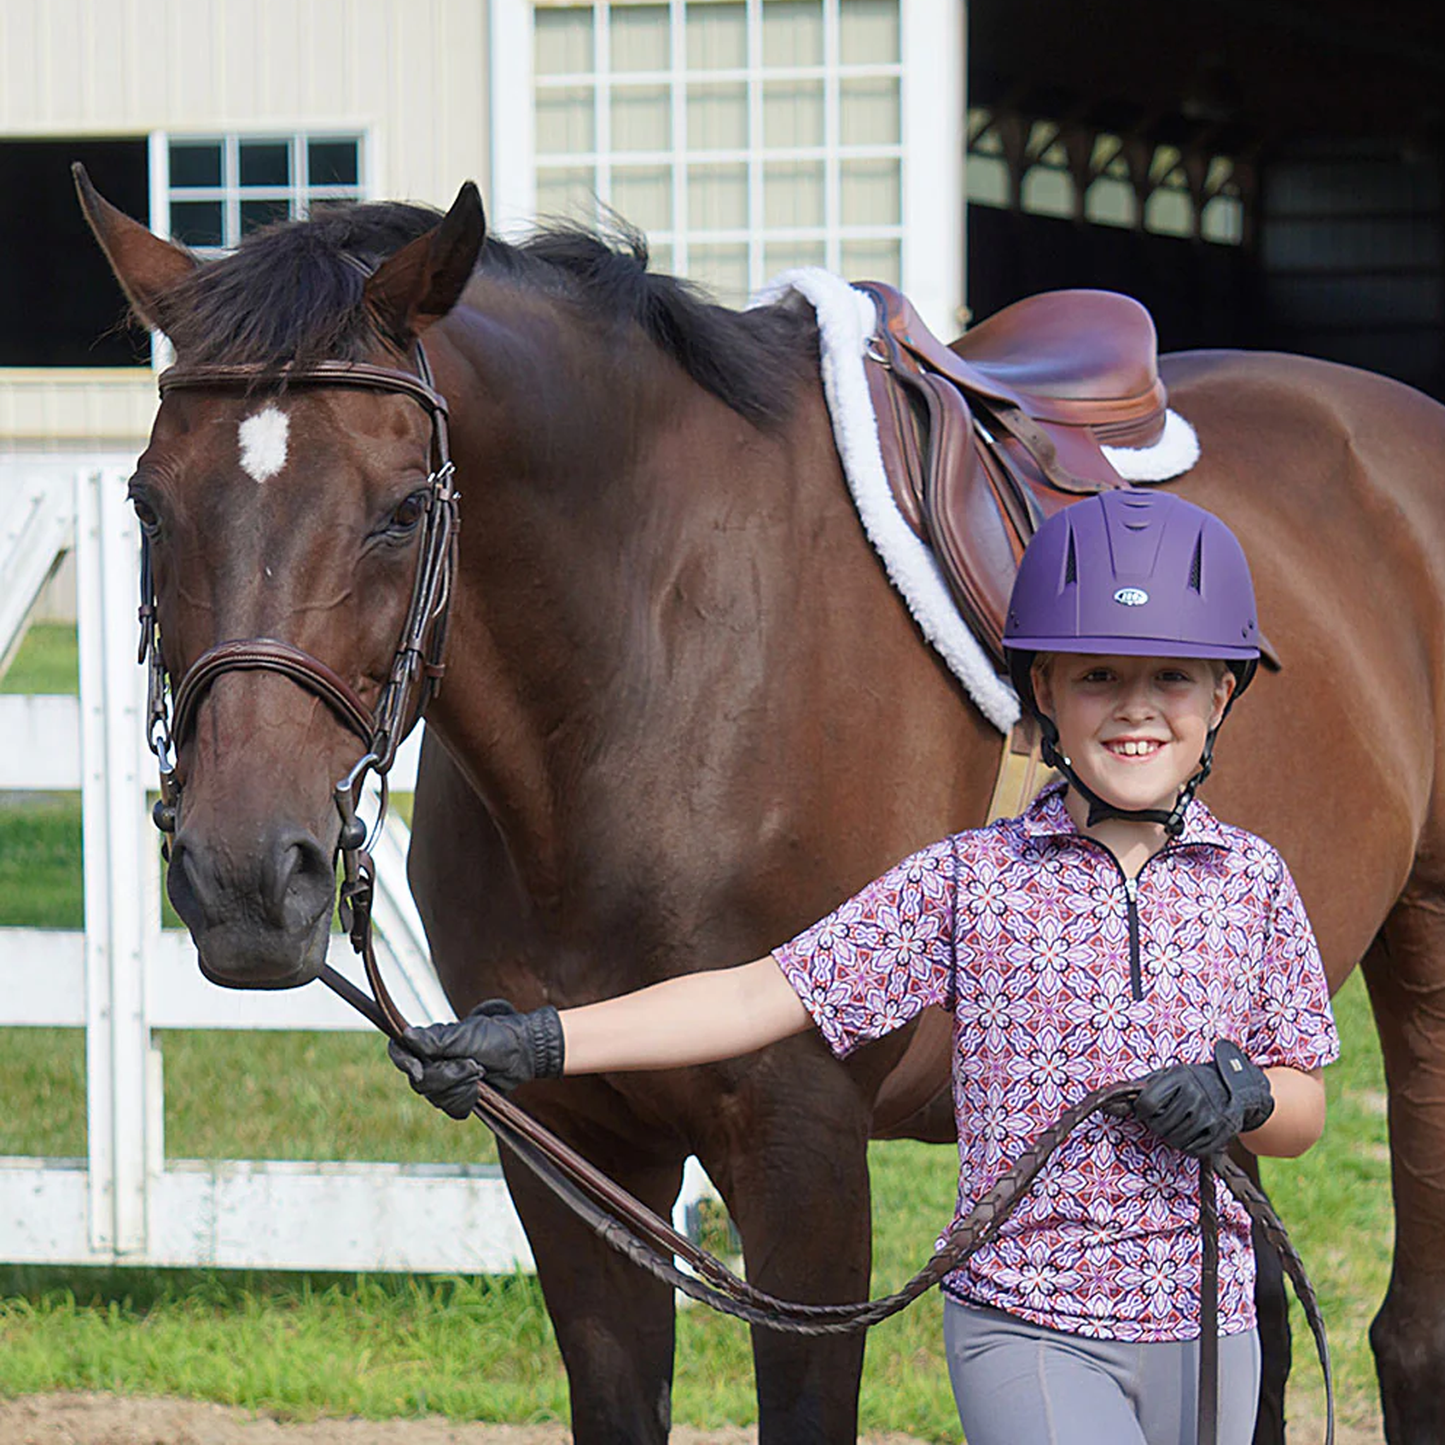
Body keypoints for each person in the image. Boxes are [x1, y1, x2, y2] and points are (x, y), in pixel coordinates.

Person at [389, 490, 1339, 1445]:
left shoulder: (1252, 881)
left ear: (1220, 696)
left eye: (1171, 676)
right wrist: (539, 1041)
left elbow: (1303, 1107)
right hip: (1029, 1322)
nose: (1135, 708)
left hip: (1209, 1328)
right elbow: (759, 995)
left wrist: (1244, 1095)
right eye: (1098, 674)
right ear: (1045, 691)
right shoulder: (970, 880)